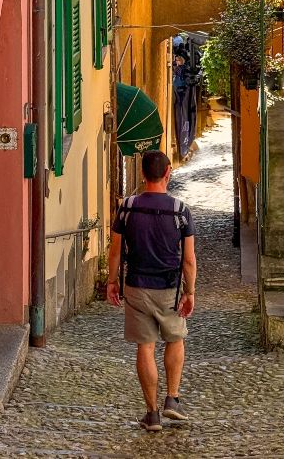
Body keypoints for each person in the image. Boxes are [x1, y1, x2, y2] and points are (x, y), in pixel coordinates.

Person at [107, 150, 197, 432]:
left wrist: (112, 282)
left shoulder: (128, 207)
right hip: (169, 288)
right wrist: (190, 291)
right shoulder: (180, 210)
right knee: (175, 339)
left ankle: (152, 414)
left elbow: (115, 251)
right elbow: (189, 259)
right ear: (167, 172)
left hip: (136, 286)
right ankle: (172, 398)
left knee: (145, 347)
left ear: (143, 173)